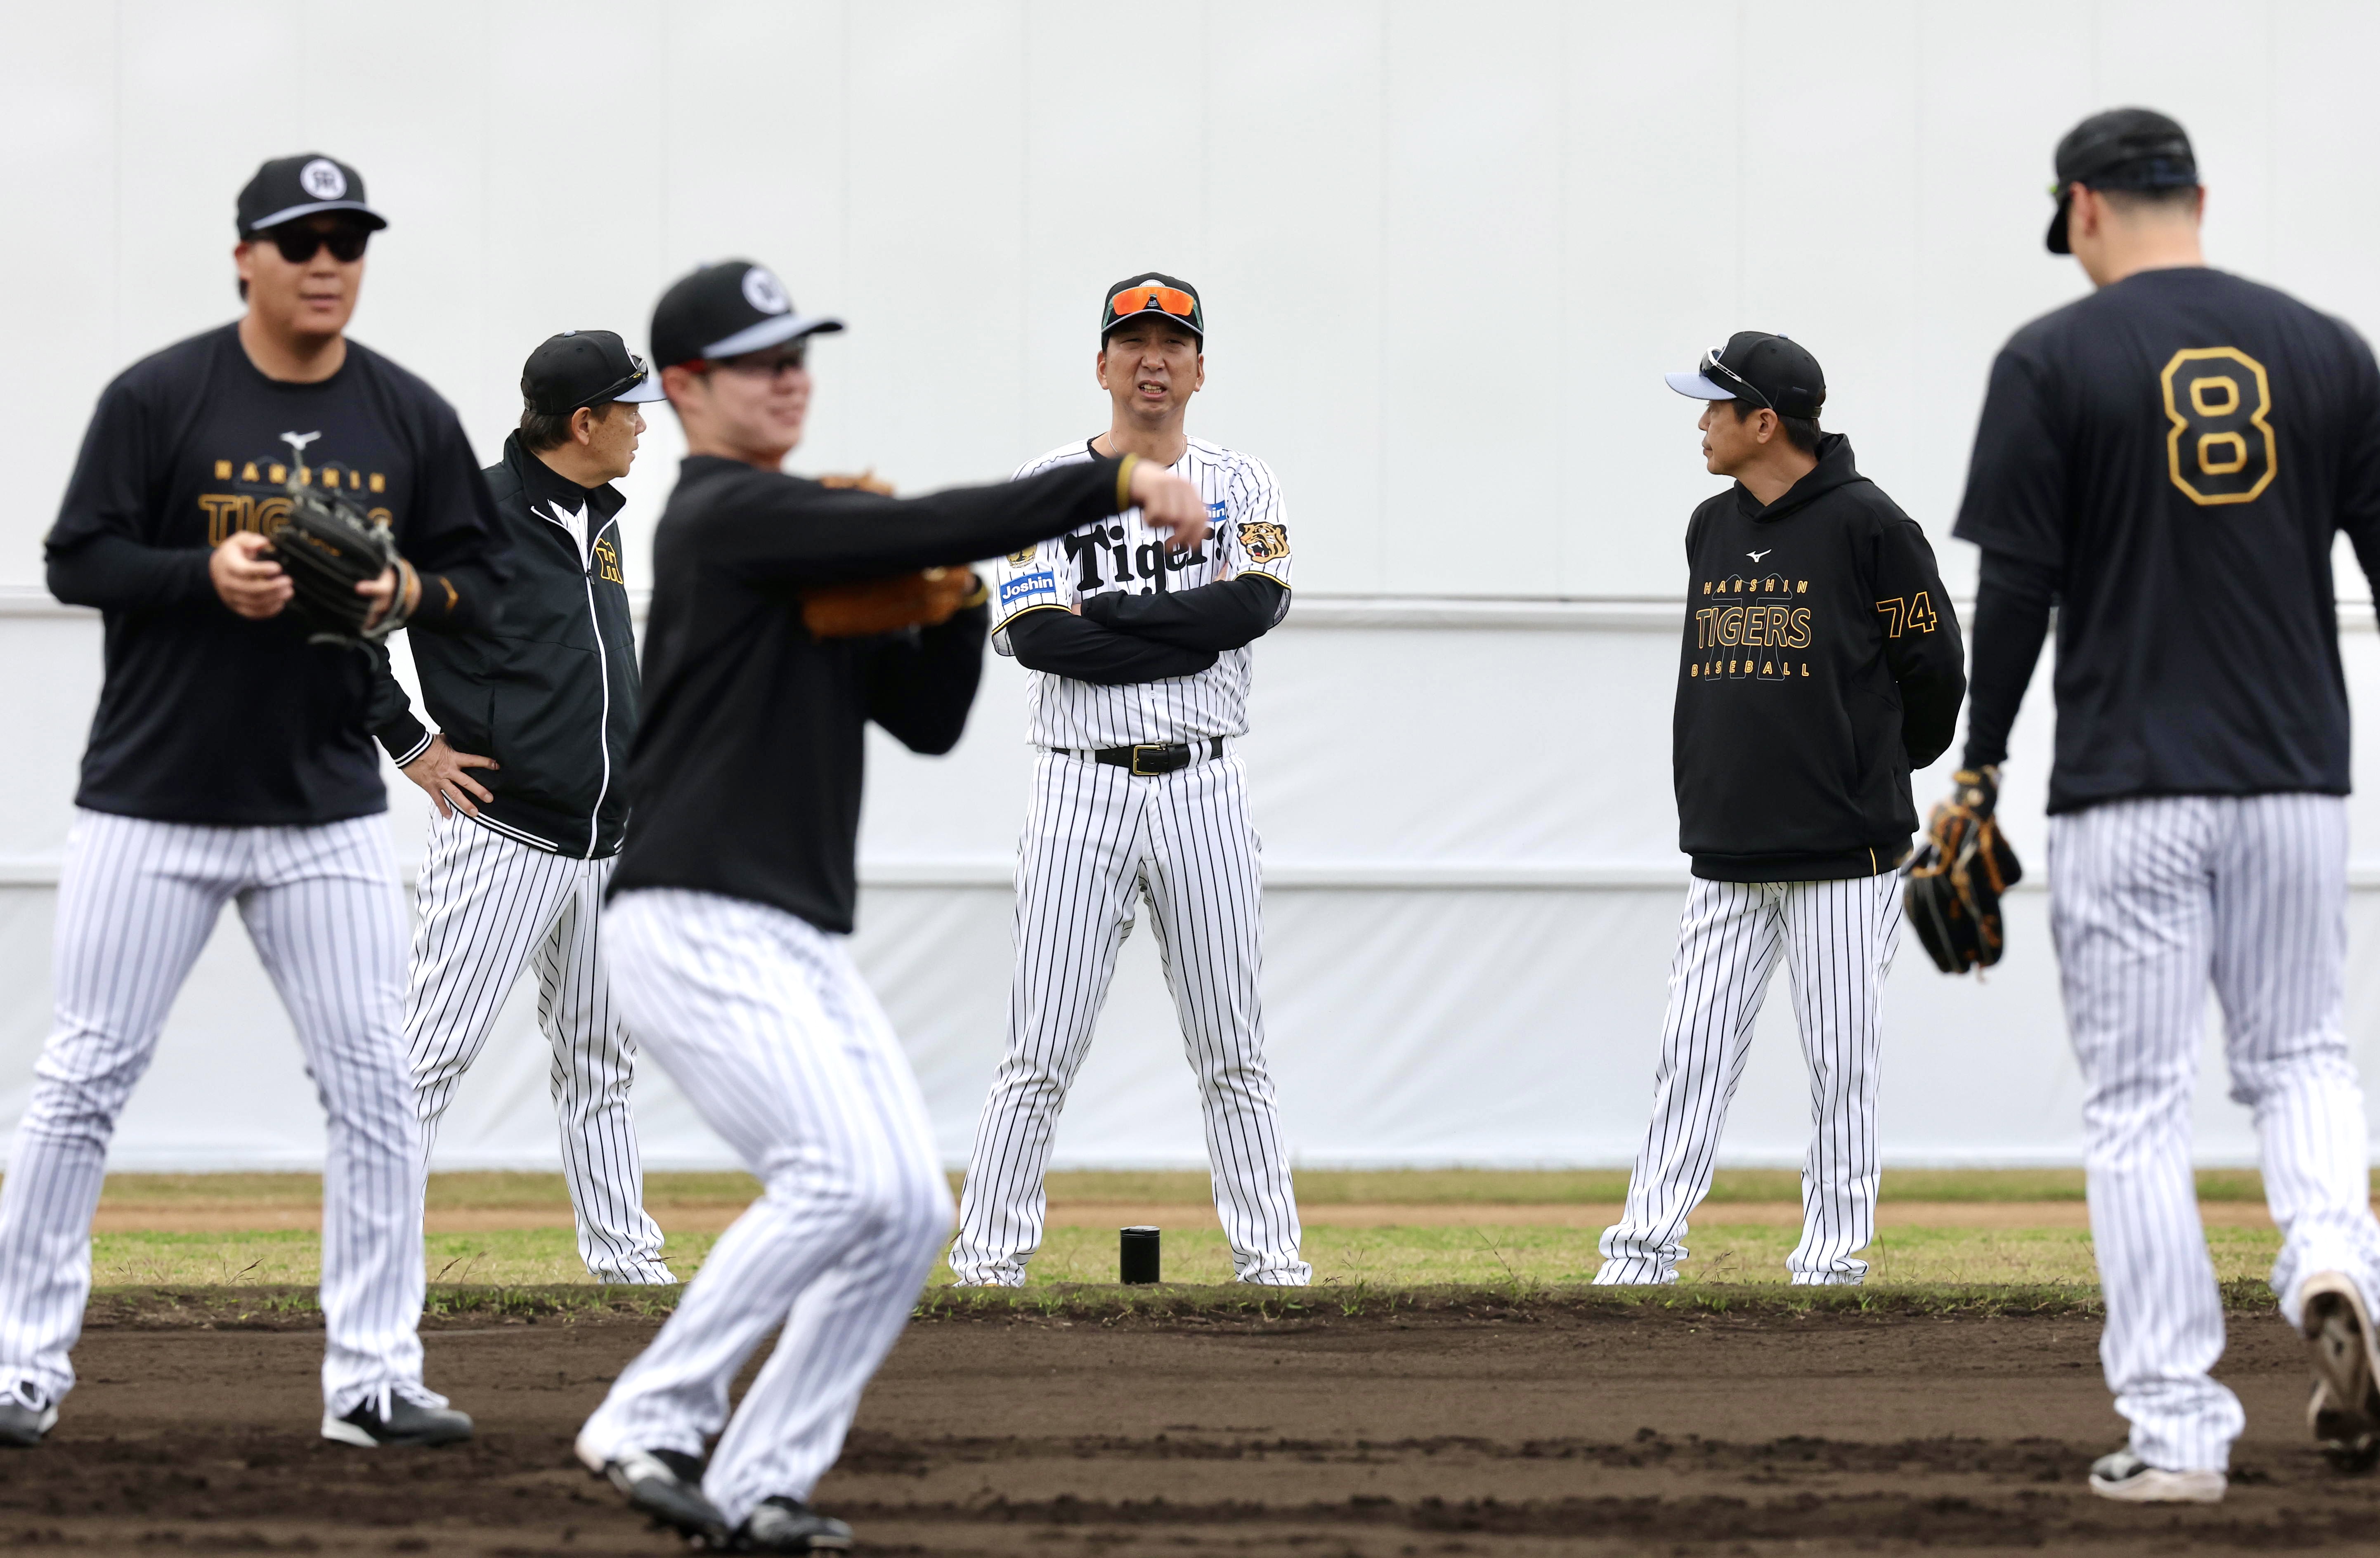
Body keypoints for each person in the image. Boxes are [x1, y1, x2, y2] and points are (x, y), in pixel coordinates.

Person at [570, 259, 1211, 1552]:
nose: (790, 374)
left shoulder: (803, 555)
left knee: (910, 1207)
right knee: (830, 1179)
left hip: (786, 933)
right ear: (686, 391)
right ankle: (646, 1418)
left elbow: (922, 721)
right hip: (691, 918)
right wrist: (1111, 480)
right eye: (759, 360)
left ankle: (761, 1483)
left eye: (799, 352)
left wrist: (957, 599)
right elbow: (926, 526)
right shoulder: (723, 516)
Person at [1, 152, 506, 1448]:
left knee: (376, 1090)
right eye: (301, 241)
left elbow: (479, 581)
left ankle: (375, 1379)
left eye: (348, 241)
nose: (327, 261)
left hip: (324, 807)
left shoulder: (406, 415)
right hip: (150, 803)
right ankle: (17, 1367)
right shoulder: (161, 396)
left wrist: (405, 598)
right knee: (81, 1081)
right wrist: (199, 574)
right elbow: (76, 558)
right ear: (246, 258)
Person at [1950, 106, 2380, 1504]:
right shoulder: (2326, 350)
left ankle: (2178, 1433)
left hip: (2128, 782)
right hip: (2291, 776)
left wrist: (1977, 761)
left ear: (2081, 209)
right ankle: (2331, 1254)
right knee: (2300, 1054)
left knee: (2136, 1105)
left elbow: (2013, 592)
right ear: (2193, 195)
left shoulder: (2049, 356)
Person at [949, 274, 1308, 1287]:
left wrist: (1111, 621)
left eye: (1172, 342)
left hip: (1204, 783)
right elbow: (1033, 634)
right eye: (1133, 341)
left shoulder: (1246, 480)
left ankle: (1270, 1260)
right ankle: (988, 1259)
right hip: (1078, 788)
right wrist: (1163, 634)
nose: (1153, 358)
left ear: (1200, 366)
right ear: (1102, 364)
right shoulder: (1048, 481)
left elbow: (1253, 606)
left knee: (1232, 1043)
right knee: (1039, 1043)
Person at [1594, 332, 1964, 1288]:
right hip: (1728, 845)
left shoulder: (1872, 526)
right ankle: (1642, 1250)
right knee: (1691, 1054)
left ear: (1767, 422)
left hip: (1847, 853)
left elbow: (1935, 671)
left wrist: (1875, 769)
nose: (1703, 423)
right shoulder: (1709, 526)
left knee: (1842, 1060)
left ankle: (1831, 1260)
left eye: (1716, 407)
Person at [368, 330, 674, 1284]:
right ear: (582, 421)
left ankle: (625, 1262)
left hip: (605, 839)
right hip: (502, 834)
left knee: (599, 1064)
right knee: (428, 1057)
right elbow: (344, 628)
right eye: (629, 407)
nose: (640, 424)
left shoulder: (603, 518)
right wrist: (413, 748)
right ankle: (377, 1270)